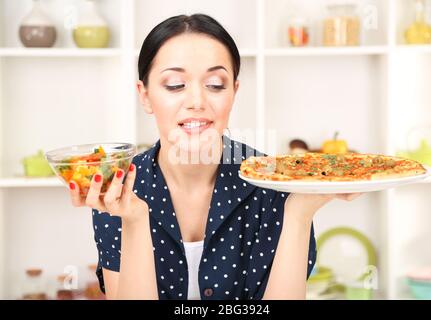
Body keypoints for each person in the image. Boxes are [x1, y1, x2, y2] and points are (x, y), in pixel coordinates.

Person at [68, 14, 361, 300]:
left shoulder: (276, 184)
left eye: (215, 85)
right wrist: (134, 220)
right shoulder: (118, 189)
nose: (196, 101)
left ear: (234, 91)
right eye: (174, 85)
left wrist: (298, 213)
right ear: (144, 96)